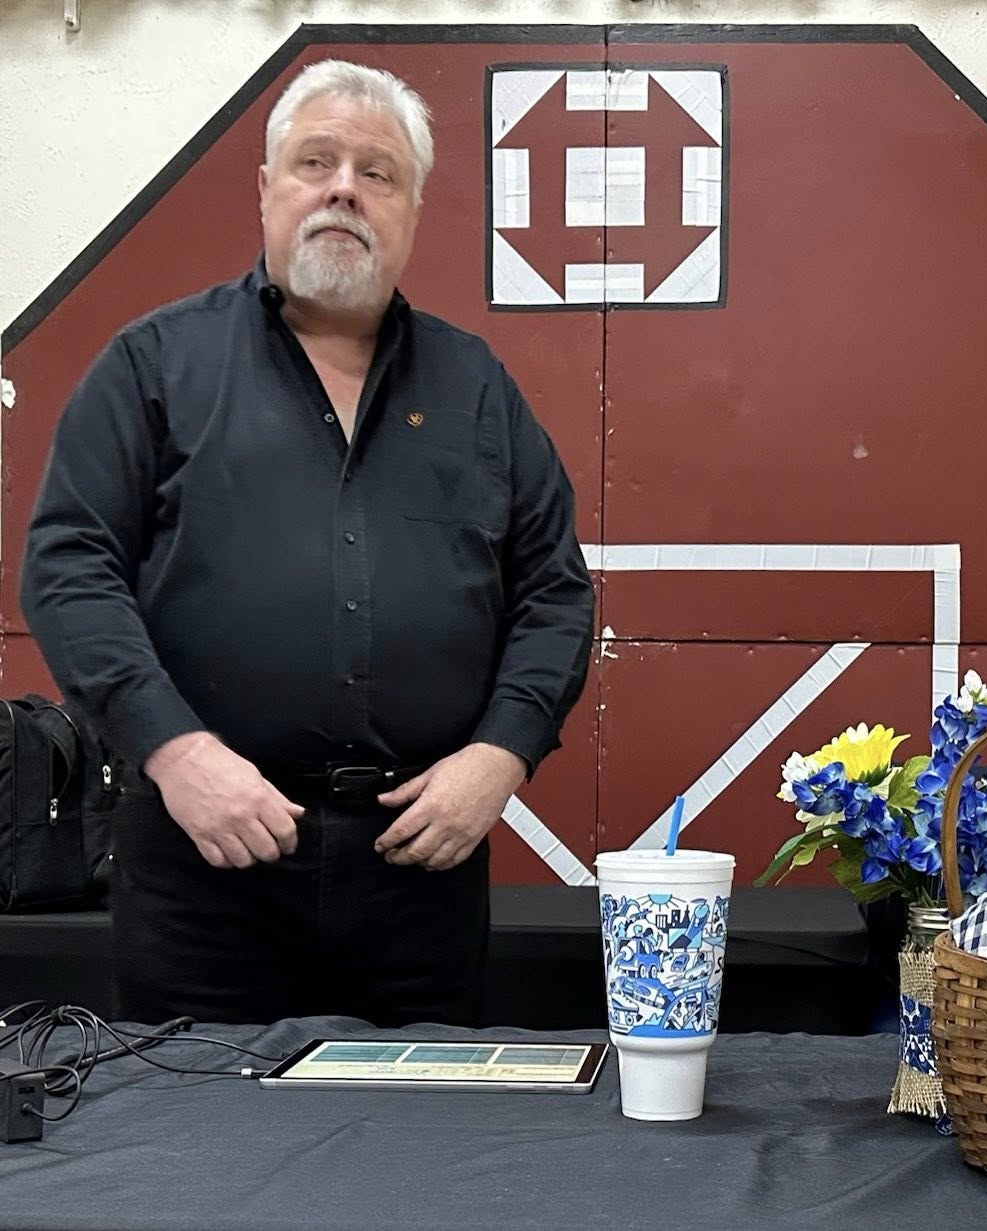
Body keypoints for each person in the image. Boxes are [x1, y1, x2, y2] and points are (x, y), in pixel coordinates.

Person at [20, 60, 596, 1028]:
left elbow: (556, 591)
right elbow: (68, 567)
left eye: (378, 172)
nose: (344, 189)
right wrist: (175, 752)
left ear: (412, 209)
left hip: (419, 872)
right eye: (315, 162)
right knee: (201, 1119)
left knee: (415, 1120)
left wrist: (502, 753)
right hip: (206, 864)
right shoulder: (155, 366)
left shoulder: (476, 388)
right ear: (266, 188)